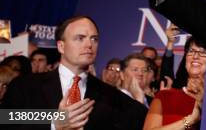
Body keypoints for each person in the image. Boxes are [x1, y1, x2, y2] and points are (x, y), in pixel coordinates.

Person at [2, 16, 147, 130]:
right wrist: (54, 123)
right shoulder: (26, 85)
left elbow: (142, 122)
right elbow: (7, 118)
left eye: (94, 39)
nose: (89, 45)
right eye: (80, 38)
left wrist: (140, 99)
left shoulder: (110, 95)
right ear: (61, 46)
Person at [143, 36, 206, 130]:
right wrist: (190, 120)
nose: (195, 56)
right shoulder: (165, 96)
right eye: (191, 51)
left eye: (203, 52)